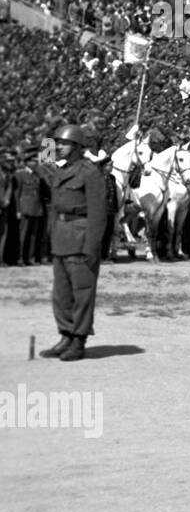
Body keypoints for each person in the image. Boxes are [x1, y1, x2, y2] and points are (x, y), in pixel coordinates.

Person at [39, 124, 108, 362]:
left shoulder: (90, 172)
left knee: (82, 293)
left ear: (78, 147)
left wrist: (92, 246)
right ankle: (66, 335)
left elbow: (99, 213)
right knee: (61, 294)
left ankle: (79, 339)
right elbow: (42, 163)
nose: (59, 146)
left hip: (80, 237)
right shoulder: (60, 170)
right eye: (57, 142)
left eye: (65, 143)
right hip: (61, 237)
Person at [15, 146, 48, 265]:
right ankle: (20, 258)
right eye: (32, 161)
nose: (35, 163)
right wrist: (18, 210)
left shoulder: (37, 176)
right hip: (25, 208)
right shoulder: (20, 175)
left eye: (36, 161)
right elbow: (17, 194)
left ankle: (30, 257)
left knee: (33, 236)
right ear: (27, 162)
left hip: (36, 209)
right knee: (23, 235)